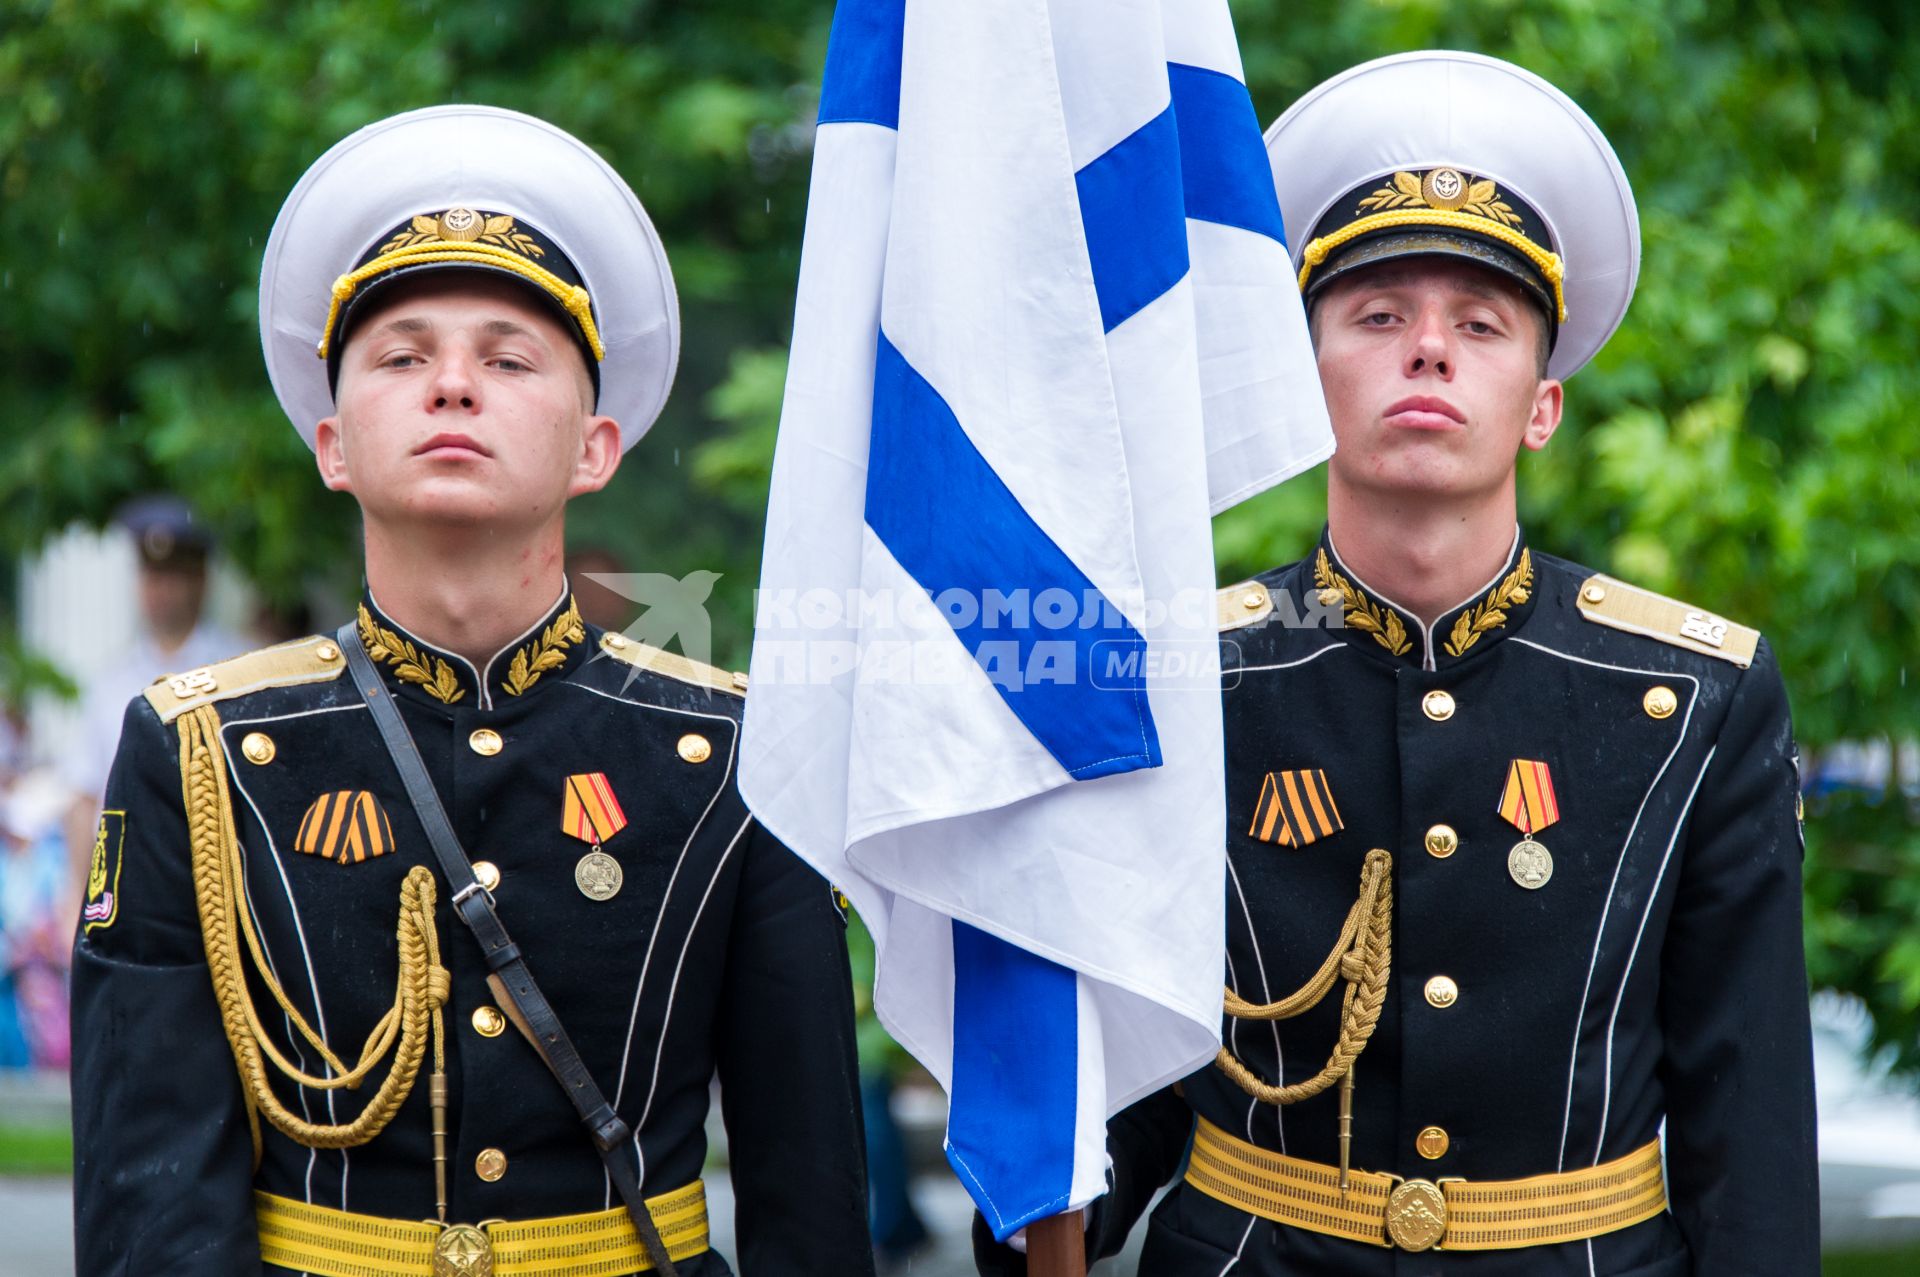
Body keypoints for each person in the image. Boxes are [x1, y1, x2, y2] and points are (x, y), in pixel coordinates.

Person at [976, 51, 1817, 1275]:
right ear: (1301, 373)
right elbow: (1120, 1069)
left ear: (1543, 402)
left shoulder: (1692, 695)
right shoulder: (1173, 673)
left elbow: (1747, 1112)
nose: (1429, 351)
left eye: (1481, 325)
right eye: (1377, 317)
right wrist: (1041, 1220)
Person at [70, 105, 873, 1276]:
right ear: (334, 443)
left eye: (508, 358)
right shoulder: (198, 749)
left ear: (594, 446)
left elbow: (810, 1195)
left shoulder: (735, 754)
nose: (453, 385)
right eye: (403, 357)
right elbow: (153, 1198)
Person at [59, 496, 247, 892]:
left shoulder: (239, 669)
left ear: (199, 579)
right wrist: (75, 894)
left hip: (211, 882)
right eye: (150, 576)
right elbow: (83, 797)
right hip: (124, 882)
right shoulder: (111, 680)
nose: (158, 591)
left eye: (172, 576)